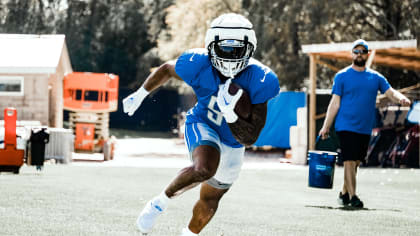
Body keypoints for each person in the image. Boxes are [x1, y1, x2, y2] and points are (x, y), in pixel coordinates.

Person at [122, 13, 280, 235]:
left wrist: (231, 114)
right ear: (210, 46)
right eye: (225, 49)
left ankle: (188, 234)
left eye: (238, 50)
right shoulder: (197, 63)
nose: (230, 57)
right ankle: (159, 202)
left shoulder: (261, 79)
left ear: (250, 48)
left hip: (234, 141)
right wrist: (140, 94)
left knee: (210, 200)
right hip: (203, 122)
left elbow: (250, 138)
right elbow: (167, 68)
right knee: (205, 168)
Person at [319, 39, 411, 208]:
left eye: (363, 51)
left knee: (356, 162)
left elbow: (390, 92)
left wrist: (401, 98)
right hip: (345, 125)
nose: (359, 54)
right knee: (349, 159)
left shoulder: (375, 77)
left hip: (364, 127)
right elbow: (334, 103)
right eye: (356, 51)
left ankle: (344, 193)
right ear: (351, 53)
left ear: (367, 54)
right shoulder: (342, 76)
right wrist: (326, 126)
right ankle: (354, 197)